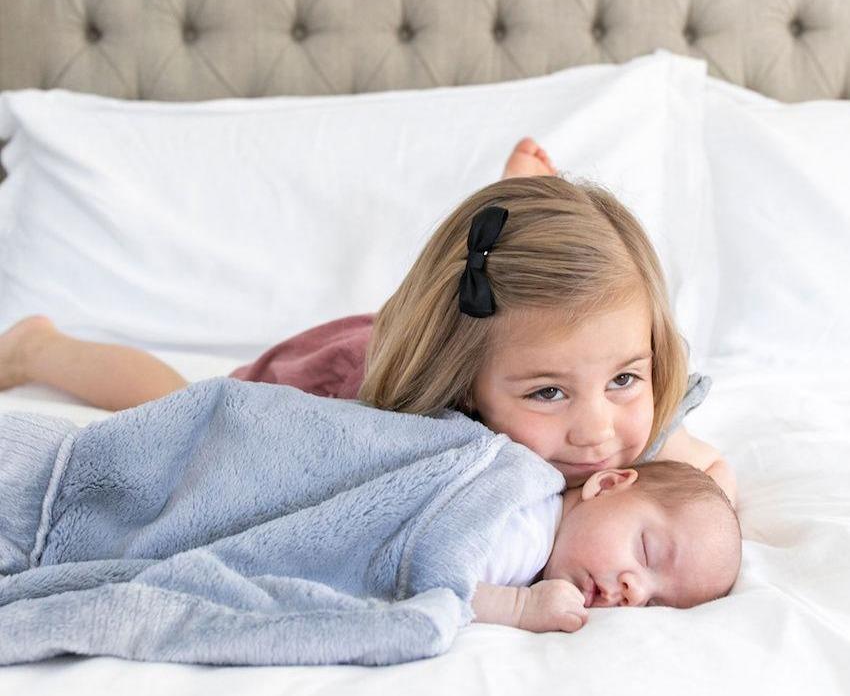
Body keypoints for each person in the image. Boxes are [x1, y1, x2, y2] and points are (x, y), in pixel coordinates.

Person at [0, 138, 737, 503]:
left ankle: (520, 209)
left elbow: (711, 476)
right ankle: (40, 345)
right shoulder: (382, 436)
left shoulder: (629, 418)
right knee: (171, 408)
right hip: (354, 381)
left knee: (490, 312)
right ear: (472, 395)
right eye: (547, 393)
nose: (596, 432)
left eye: (624, 379)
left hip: (461, 333)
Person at [473, 459, 741, 632]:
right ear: (606, 485)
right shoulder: (522, 534)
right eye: (646, 552)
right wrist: (520, 607)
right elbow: (438, 581)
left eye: (652, 603)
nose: (634, 593)